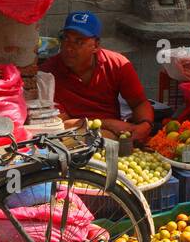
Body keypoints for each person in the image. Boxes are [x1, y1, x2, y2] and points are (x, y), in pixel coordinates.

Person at [45, 11, 154, 143]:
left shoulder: (117, 64)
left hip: (117, 135)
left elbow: (139, 103)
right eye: (66, 39)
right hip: (72, 136)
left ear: (96, 45)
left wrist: (145, 125)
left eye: (79, 42)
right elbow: (61, 123)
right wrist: (107, 124)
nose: (69, 48)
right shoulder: (48, 73)